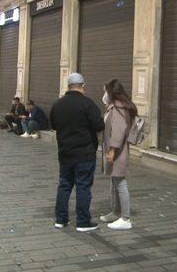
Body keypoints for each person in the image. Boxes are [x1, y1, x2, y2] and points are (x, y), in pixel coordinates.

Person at [50, 73, 105, 232]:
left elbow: (53, 125)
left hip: (65, 152)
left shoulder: (58, 104)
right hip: (84, 153)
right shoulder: (87, 104)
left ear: (68, 86)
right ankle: (82, 221)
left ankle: (61, 219)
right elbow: (99, 125)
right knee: (83, 186)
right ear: (83, 86)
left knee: (64, 184)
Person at [99, 79, 137, 230]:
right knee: (114, 182)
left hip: (117, 152)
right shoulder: (115, 107)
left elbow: (119, 132)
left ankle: (125, 218)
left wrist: (112, 151)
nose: (104, 95)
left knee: (120, 184)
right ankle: (116, 211)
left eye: (106, 91)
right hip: (115, 151)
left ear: (112, 93)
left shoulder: (118, 109)